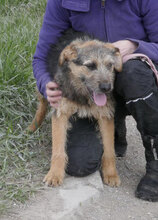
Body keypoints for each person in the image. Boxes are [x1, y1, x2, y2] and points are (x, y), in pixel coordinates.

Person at [33, 0, 158, 202]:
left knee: (133, 73)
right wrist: (45, 83)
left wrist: (136, 45)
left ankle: (155, 164)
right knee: (80, 164)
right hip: (88, 92)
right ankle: (116, 128)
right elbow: (41, 56)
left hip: (135, 77)